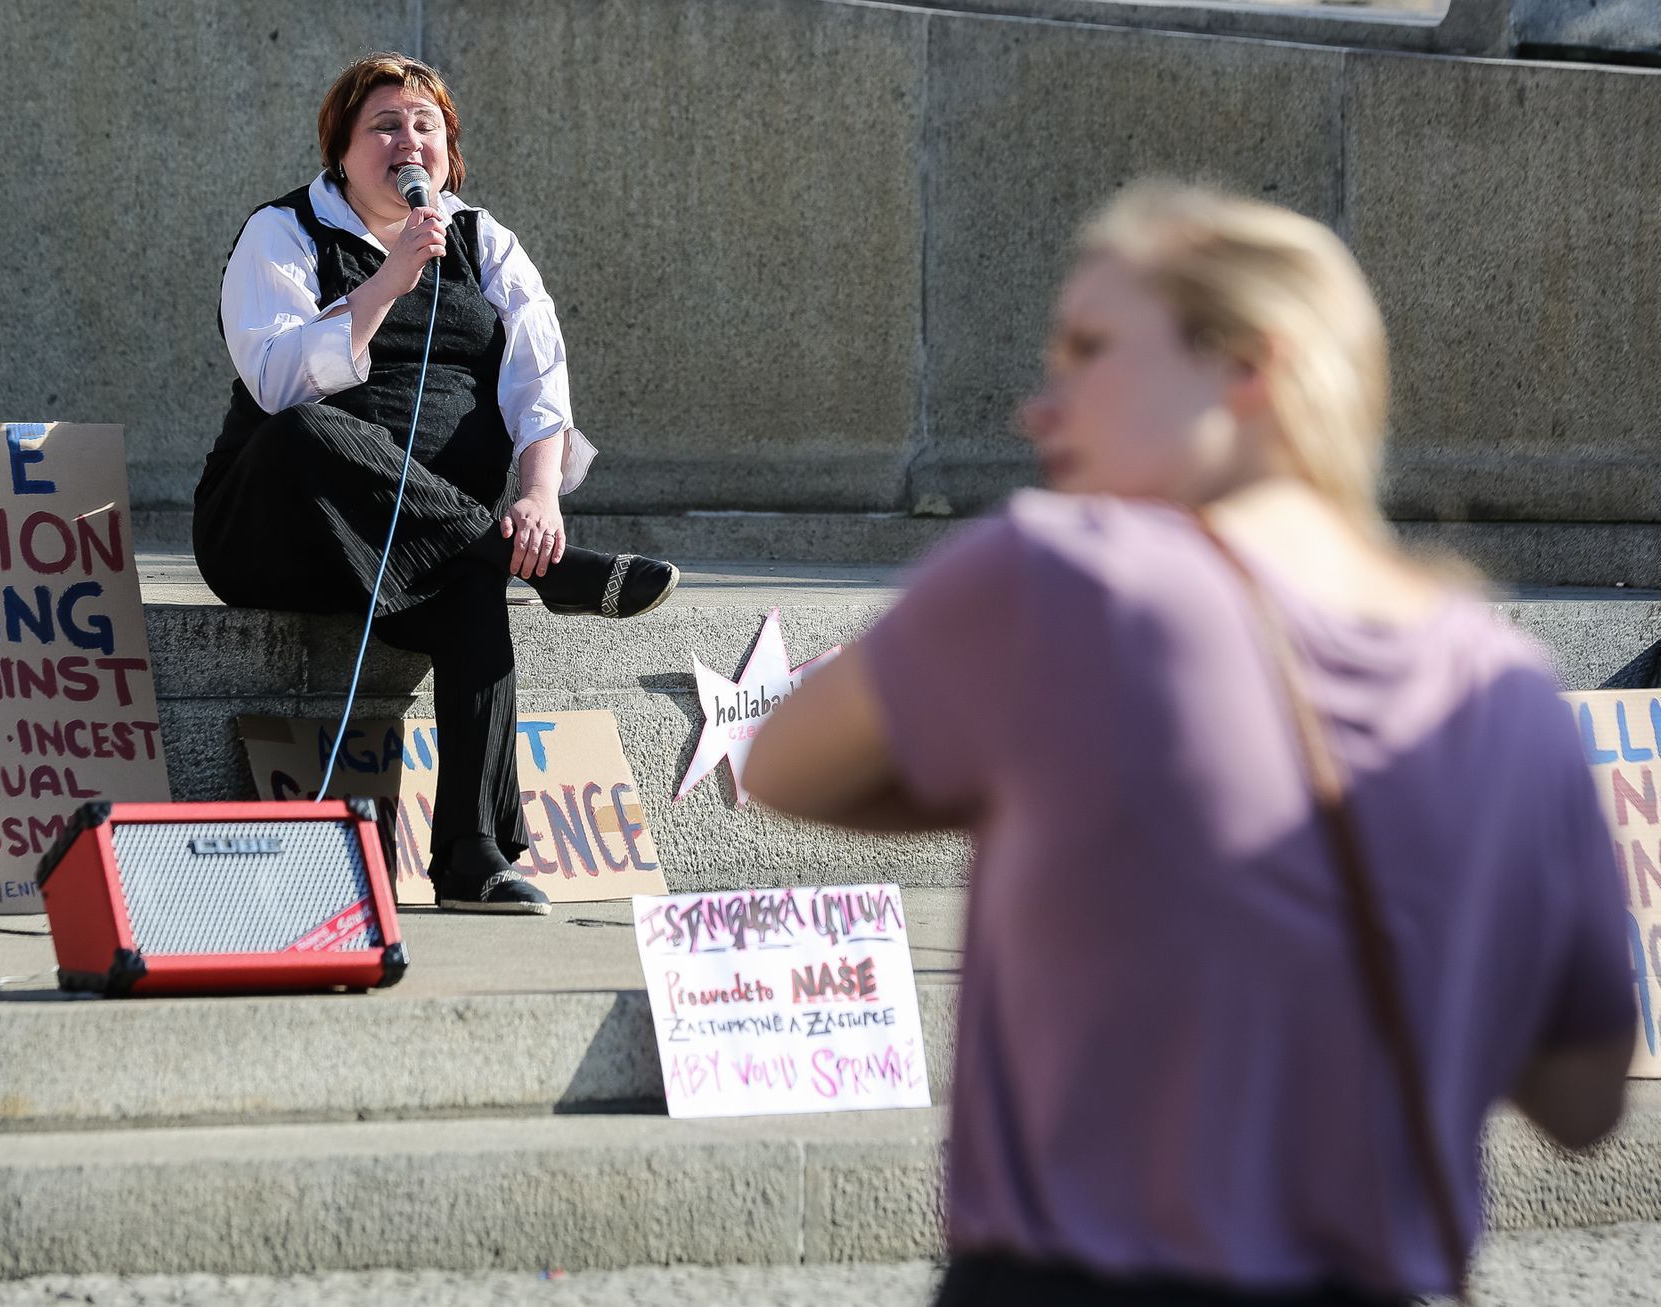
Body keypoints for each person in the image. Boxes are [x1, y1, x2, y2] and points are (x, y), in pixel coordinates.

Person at [745, 183, 1634, 1305]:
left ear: (1248, 369)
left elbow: (781, 762)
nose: (1040, 403)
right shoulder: (1509, 687)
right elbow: (1584, 1098)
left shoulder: (1066, 577)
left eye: (1089, 347)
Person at [195, 53, 680, 915]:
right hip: (278, 528)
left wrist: (538, 498)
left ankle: (471, 854)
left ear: (448, 154)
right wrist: (388, 281)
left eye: (425, 128)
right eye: (383, 125)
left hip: (412, 548)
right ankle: (520, 562)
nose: (406, 142)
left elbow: (541, 388)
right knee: (308, 431)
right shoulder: (282, 232)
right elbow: (276, 381)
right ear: (340, 152)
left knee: (469, 589)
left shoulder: (486, 241)